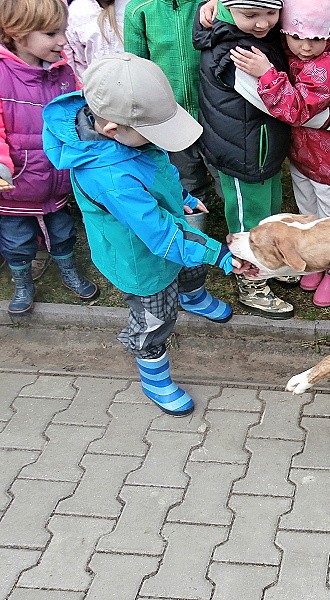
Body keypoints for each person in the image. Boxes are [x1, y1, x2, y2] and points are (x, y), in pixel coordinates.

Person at [43, 53, 239, 416]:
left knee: (188, 265)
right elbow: (161, 235)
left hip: (165, 229)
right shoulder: (111, 178)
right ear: (112, 130)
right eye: (154, 133)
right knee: (156, 316)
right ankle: (154, 375)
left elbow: (156, 174)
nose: (159, 141)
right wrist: (222, 255)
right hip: (141, 258)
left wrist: (181, 196)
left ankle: (193, 297)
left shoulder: (133, 139)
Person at [230, 0, 330, 307]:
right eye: (296, 36)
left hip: (329, 158)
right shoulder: (293, 48)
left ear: (329, 30)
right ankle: (311, 262)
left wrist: (266, 74)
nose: (306, 46)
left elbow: (297, 109)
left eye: (315, 37)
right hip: (301, 153)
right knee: (306, 214)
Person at [193, 0, 296, 318]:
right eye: (251, 15)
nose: (263, 23)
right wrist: (270, 75)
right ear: (228, 9)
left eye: (271, 13)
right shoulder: (236, 51)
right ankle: (250, 282)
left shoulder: (251, 35)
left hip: (260, 145)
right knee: (246, 219)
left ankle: (270, 261)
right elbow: (271, 103)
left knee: (269, 210)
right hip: (242, 152)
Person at [0, 0, 99, 317]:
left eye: (63, 31)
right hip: (15, 186)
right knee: (16, 240)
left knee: (62, 232)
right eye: (51, 33)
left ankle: (69, 271)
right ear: (17, 33)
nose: (62, 41)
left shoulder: (65, 73)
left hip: (56, 180)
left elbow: (76, 116)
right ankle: (22, 282)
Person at [125, 0, 221, 232]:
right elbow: (135, 68)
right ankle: (195, 243)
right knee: (187, 183)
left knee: (227, 181)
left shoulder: (211, 3)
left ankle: (245, 244)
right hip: (172, 119)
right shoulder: (139, 9)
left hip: (217, 115)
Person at [64, 0, 129, 80]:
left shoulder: (134, 7)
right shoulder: (75, 12)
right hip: (91, 87)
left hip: (132, 84)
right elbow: (71, 63)